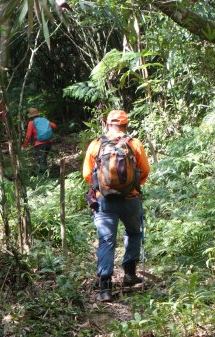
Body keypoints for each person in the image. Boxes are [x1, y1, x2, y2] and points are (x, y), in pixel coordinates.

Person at [82, 109, 150, 302]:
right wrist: (132, 186)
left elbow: (87, 173)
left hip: (104, 201)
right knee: (134, 233)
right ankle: (130, 274)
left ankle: (105, 288)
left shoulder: (96, 144)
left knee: (106, 241)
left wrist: (103, 186)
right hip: (130, 199)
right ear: (126, 124)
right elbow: (145, 170)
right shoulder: (134, 143)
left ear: (107, 124)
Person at [22, 108, 57, 172]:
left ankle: (44, 178)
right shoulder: (44, 119)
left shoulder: (31, 123)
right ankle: (47, 174)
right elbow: (54, 125)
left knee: (41, 161)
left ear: (30, 116)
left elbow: (28, 135)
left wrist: (24, 145)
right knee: (44, 159)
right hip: (49, 143)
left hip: (39, 144)